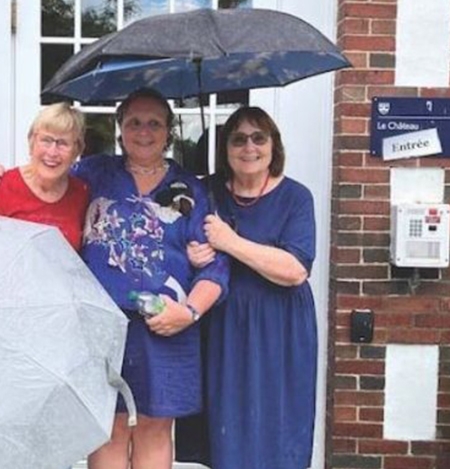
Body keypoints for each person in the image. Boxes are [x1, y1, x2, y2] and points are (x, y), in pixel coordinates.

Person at [0, 88, 229, 469]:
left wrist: (190, 312)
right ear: (120, 129)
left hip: (168, 327)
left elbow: (215, 267)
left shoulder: (191, 189)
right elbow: (45, 179)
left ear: (169, 131)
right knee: (106, 428)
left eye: (154, 124)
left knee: (155, 428)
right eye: (134, 123)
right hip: (99, 328)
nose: (144, 132)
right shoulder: (93, 174)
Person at [185, 106, 318, 469]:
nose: (249, 147)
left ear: (274, 146)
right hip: (222, 325)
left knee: (276, 426)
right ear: (225, 148)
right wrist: (193, 254)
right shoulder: (207, 191)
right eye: (238, 138)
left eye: (259, 138)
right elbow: (175, 241)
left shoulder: (296, 197)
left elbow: (294, 270)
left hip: (279, 327)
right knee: (226, 427)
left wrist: (230, 242)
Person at [0, 102, 89, 251]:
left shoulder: (81, 194)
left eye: (63, 143)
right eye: (46, 140)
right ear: (32, 142)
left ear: (76, 150)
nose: (52, 152)